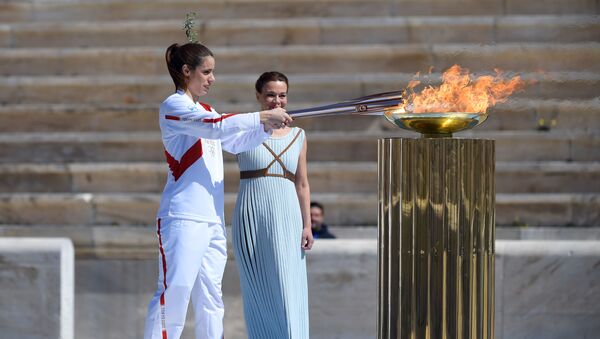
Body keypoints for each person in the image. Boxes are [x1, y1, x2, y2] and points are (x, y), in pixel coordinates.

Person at [143, 43, 292, 339]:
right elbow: (215, 127)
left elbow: (233, 142)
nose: (212, 78)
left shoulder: (207, 110)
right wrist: (261, 117)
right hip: (182, 217)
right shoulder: (173, 107)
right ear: (187, 72)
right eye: (207, 72)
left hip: (212, 220)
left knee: (212, 299)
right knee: (176, 292)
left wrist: (265, 128)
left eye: (213, 72)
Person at [232, 71, 314, 339]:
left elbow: (302, 183)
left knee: (289, 288)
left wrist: (307, 226)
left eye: (282, 95)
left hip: (287, 215)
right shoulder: (244, 129)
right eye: (270, 95)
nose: (276, 101)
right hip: (252, 215)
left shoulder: (299, 135)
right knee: (258, 292)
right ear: (258, 96)